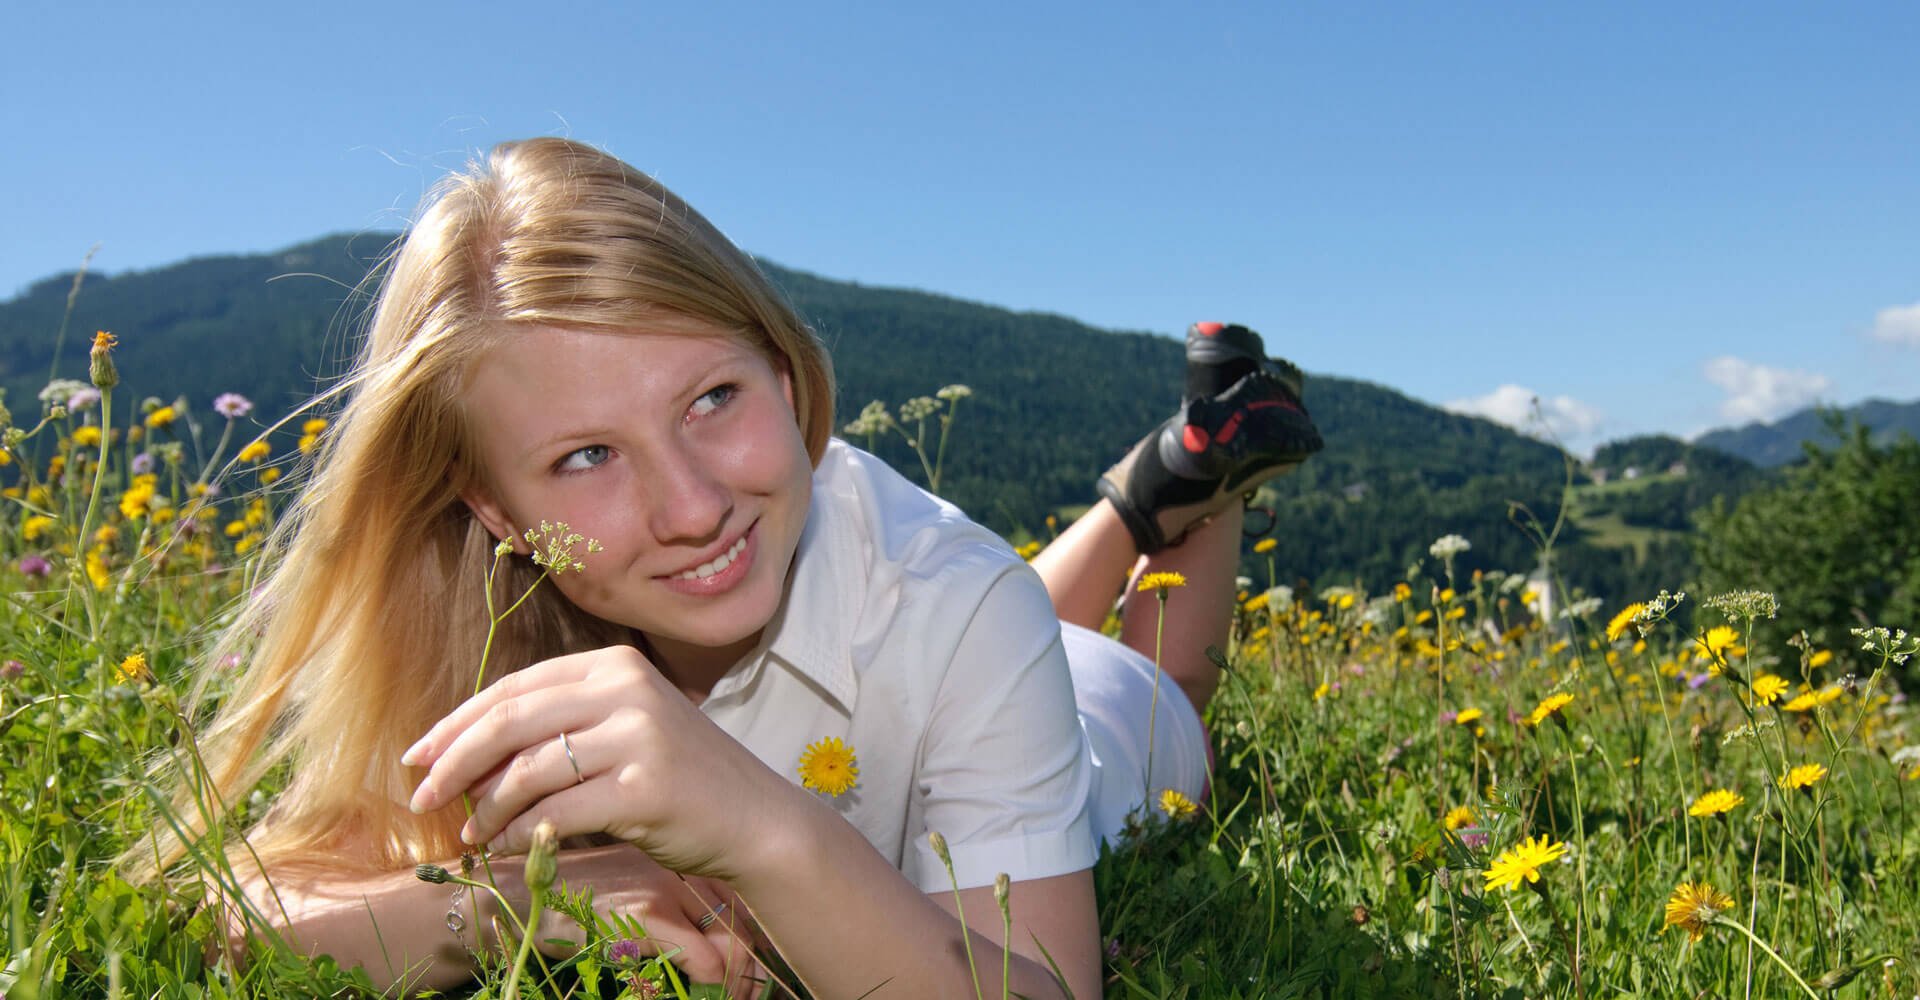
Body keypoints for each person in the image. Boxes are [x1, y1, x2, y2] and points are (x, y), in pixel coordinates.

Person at [134, 137, 1321, 999]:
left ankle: (1209, 479)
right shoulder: (475, 614)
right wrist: (504, 911)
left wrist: (755, 827)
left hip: (1090, 720)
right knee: (1001, 617)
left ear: (785, 367)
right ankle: (1159, 468)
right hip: (975, 641)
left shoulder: (952, 598)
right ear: (491, 506)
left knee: (1148, 684)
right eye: (587, 454)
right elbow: (236, 911)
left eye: (713, 397)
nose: (694, 505)